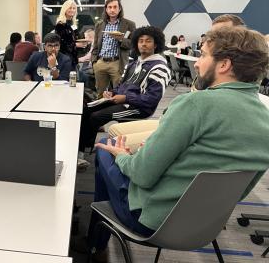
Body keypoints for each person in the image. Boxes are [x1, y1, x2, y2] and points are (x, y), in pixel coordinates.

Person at [87, 27, 269, 261]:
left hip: (151, 221)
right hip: (206, 227)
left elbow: (142, 175)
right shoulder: (265, 120)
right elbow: (239, 188)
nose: (196, 63)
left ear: (224, 65)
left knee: (105, 151)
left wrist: (123, 156)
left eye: (203, 56)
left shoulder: (195, 104)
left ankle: (95, 243)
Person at [108, 13, 248, 144]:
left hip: (190, 135)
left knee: (110, 145)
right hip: (178, 123)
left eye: (222, 36)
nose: (197, 64)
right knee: (112, 134)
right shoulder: (213, 72)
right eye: (212, 35)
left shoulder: (237, 80)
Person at [78, 26, 170, 156]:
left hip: (139, 108)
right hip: (122, 101)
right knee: (86, 109)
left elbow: (151, 100)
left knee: (96, 116)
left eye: (148, 41)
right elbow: (121, 85)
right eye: (140, 40)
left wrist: (126, 98)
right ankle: (83, 147)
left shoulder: (160, 68)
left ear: (156, 45)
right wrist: (112, 92)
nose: (143, 44)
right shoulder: (133, 63)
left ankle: (83, 152)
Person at [92, 0, 136, 97]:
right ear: (106, 9)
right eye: (110, 7)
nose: (112, 10)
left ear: (119, 9)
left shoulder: (129, 24)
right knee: (100, 94)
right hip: (100, 63)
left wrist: (120, 39)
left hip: (117, 63)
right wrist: (94, 62)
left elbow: (132, 44)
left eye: (115, 7)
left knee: (119, 93)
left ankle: (115, 112)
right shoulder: (99, 25)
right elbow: (95, 46)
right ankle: (101, 112)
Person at [55, 0, 79, 68]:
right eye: (70, 8)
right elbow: (60, 43)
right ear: (65, 9)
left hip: (73, 58)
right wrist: (75, 44)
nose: (72, 10)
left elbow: (76, 38)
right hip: (64, 58)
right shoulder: (60, 24)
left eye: (74, 8)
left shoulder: (73, 24)